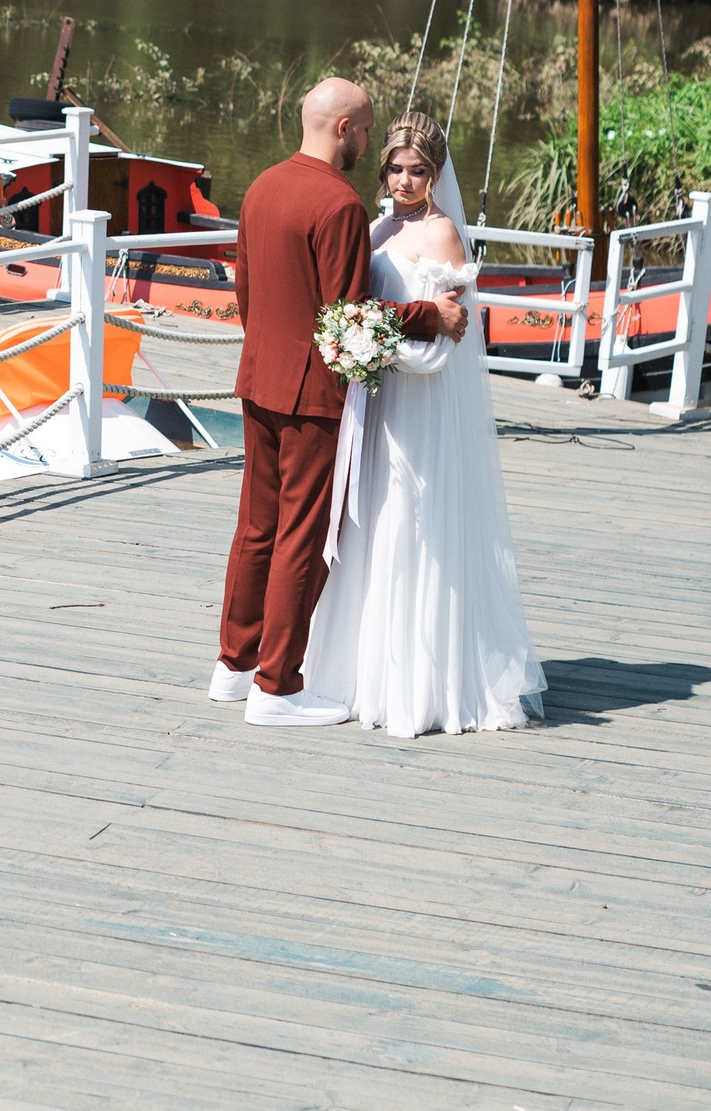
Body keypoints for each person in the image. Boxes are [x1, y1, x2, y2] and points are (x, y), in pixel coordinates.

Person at [215, 79, 467, 728]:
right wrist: (429, 315)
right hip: (310, 394)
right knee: (301, 533)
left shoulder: (261, 186)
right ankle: (278, 685)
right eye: (366, 131)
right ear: (346, 128)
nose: (368, 145)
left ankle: (234, 665)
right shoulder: (339, 206)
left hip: (259, 377)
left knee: (256, 527)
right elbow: (349, 317)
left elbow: (248, 291)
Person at [302, 113, 549, 735]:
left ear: (436, 176)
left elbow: (448, 341)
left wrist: (373, 345)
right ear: (381, 169)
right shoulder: (378, 226)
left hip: (420, 407)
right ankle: (361, 674)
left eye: (417, 172)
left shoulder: (442, 236)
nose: (404, 181)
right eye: (394, 169)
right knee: (372, 522)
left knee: (414, 526)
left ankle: (423, 685)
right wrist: (360, 342)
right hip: (380, 403)